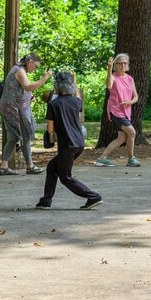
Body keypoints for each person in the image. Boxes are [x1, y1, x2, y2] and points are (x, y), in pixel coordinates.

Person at [36, 72, 103, 210]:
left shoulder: (53, 104)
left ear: (56, 87)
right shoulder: (78, 102)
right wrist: (75, 82)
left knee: (65, 177)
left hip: (67, 144)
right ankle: (46, 201)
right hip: (79, 143)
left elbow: (50, 130)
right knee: (52, 167)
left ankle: (93, 197)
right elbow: (76, 98)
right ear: (72, 86)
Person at [0, 53, 53, 175]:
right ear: (30, 62)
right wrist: (45, 77)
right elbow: (28, 87)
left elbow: (20, 89)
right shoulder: (20, 71)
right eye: (36, 66)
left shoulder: (18, 69)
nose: (35, 69)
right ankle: (30, 166)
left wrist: (29, 97)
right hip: (14, 109)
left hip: (9, 107)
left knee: (13, 137)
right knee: (25, 135)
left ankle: (4, 166)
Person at [95, 53, 140, 167]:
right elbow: (109, 85)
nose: (123, 65)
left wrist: (130, 102)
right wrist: (109, 69)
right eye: (120, 63)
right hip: (116, 111)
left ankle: (102, 158)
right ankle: (131, 159)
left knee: (122, 138)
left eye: (125, 63)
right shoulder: (114, 76)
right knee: (132, 132)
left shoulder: (130, 78)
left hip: (126, 111)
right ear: (116, 65)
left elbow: (136, 96)